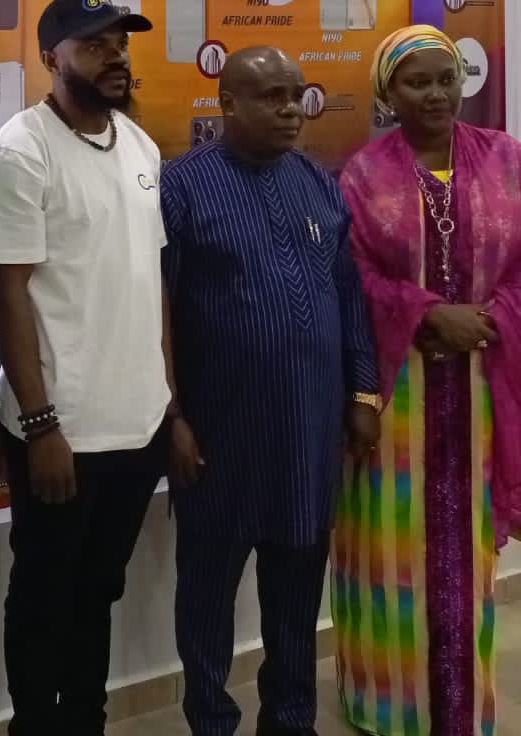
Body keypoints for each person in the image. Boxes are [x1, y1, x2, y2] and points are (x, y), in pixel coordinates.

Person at [161, 46, 380, 736]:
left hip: (307, 438)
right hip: (219, 440)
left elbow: (349, 296)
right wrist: (172, 416)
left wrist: (362, 393)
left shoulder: (317, 182)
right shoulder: (181, 188)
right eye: (272, 97)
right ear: (226, 103)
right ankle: (211, 721)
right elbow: (153, 311)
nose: (291, 110)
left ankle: (290, 720)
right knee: (207, 599)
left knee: (295, 600)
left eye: (297, 95)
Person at [0, 0, 171, 736]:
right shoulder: (18, 154)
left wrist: (168, 403)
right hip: (60, 433)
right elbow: (8, 296)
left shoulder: (140, 145)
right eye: (94, 45)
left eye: (120, 43)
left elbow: (151, 283)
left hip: (138, 425)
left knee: (99, 590)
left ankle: (85, 720)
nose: (115, 57)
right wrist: (41, 424)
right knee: (43, 596)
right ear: (49, 58)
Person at [333, 26, 521, 736]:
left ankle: (463, 707)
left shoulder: (506, 160)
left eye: (447, 78)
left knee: (468, 556)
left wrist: (490, 317)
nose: (436, 94)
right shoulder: (363, 176)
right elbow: (351, 279)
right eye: (417, 81)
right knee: (390, 553)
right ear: (389, 92)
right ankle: (386, 705)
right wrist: (425, 313)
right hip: (395, 399)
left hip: (481, 389)